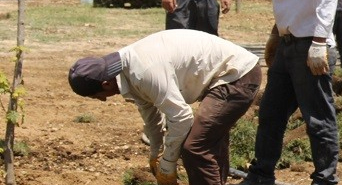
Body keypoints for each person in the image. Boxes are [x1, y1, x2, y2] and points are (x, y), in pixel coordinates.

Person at [236, 0, 340, 185]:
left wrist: (320, 42)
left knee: (318, 118)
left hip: (310, 46)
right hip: (288, 44)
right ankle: (260, 175)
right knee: (271, 113)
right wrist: (277, 34)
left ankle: (325, 179)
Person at [67, 29, 261, 185]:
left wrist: (168, 164)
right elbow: (151, 115)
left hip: (237, 75)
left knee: (195, 147)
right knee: (208, 140)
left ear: (106, 84)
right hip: (221, 78)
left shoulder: (142, 71)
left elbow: (182, 117)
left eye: (97, 96)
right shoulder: (123, 68)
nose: (102, 100)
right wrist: (155, 153)